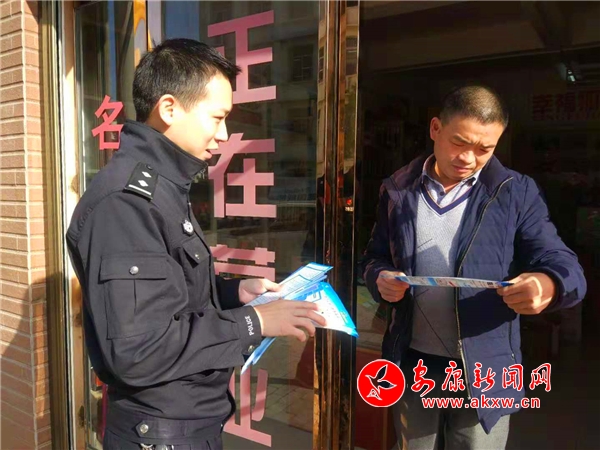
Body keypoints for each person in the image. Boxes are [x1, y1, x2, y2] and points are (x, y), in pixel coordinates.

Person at [66, 38, 326, 450]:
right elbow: (140, 348)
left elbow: (170, 296)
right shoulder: (127, 203)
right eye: (217, 118)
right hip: (160, 434)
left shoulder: (164, 187)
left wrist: (234, 293)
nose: (223, 134)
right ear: (169, 108)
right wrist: (254, 322)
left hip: (183, 425)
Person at [361, 85, 586, 450]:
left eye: (485, 149)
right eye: (459, 142)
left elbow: (563, 263)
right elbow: (373, 257)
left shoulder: (514, 192)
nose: (468, 158)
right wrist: (379, 278)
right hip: (413, 361)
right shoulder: (398, 190)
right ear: (436, 128)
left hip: (485, 367)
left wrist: (547, 285)